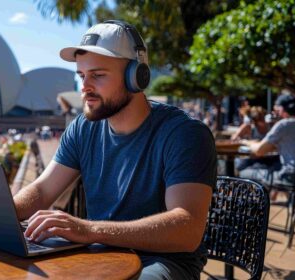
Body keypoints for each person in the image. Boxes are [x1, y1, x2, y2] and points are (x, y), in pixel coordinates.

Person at [13, 20, 216, 279]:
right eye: (82, 76)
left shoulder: (184, 134)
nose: (85, 87)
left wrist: (87, 230)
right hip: (100, 253)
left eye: (97, 75)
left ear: (137, 77)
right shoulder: (82, 128)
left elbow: (186, 228)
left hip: (162, 262)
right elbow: (41, 190)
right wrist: (0, 216)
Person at [240, 94, 295, 187]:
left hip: (288, 176)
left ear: (282, 109)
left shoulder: (284, 124)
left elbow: (259, 151)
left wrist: (246, 142)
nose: (275, 113)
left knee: (243, 172)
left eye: (277, 110)